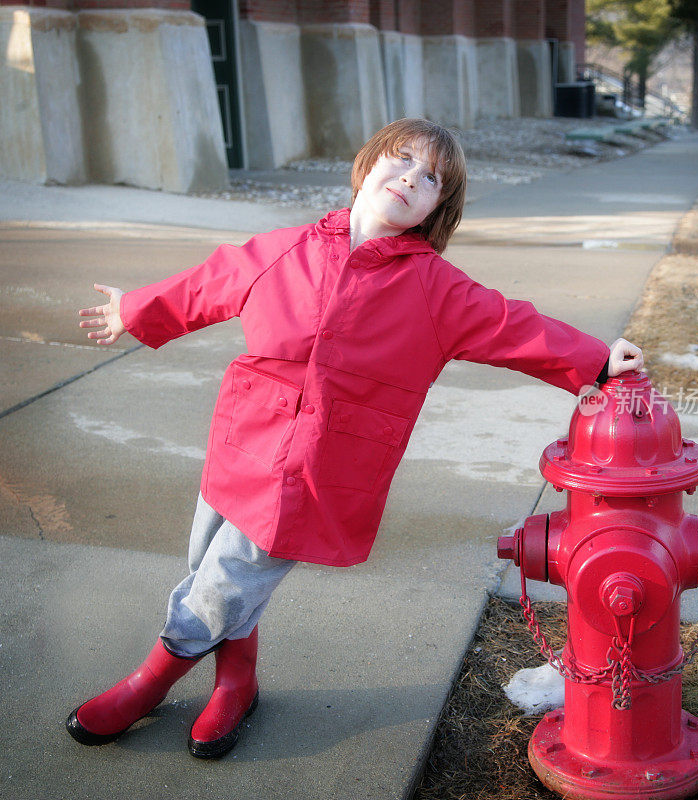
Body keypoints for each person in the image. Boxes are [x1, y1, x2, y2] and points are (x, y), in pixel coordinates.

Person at [67, 118, 644, 759]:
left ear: (437, 209)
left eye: (432, 180)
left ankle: (148, 683)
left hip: (322, 468)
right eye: (401, 161)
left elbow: (513, 326)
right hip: (243, 441)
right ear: (368, 165)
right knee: (210, 567)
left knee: (227, 580)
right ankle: (237, 681)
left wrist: (594, 357)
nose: (410, 179)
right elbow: (204, 284)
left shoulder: (435, 288)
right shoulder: (285, 250)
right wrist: (134, 309)